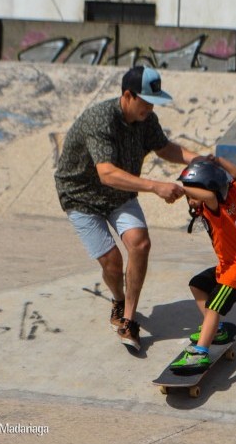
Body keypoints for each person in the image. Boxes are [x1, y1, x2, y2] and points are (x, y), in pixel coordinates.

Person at [54, 66, 203, 352]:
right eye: (146, 101)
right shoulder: (101, 120)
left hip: (119, 196)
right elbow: (107, 173)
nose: (150, 107)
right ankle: (118, 299)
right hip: (81, 197)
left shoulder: (147, 120)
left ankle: (128, 319)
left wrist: (199, 159)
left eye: (154, 102)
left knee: (140, 244)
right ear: (127, 95)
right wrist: (155, 186)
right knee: (112, 261)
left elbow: (165, 148)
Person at [170, 156, 236, 372]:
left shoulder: (214, 208)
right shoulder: (231, 197)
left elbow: (208, 195)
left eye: (192, 195)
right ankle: (216, 331)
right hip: (228, 265)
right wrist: (217, 161)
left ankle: (200, 353)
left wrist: (182, 189)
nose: (190, 200)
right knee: (197, 284)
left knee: (213, 307)